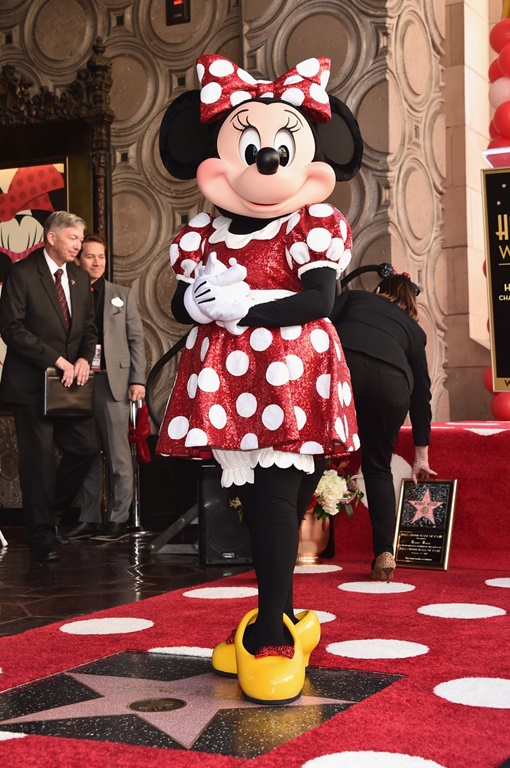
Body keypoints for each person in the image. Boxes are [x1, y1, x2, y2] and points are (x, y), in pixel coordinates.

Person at [155, 54, 363, 705]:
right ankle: (281, 615)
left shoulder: (313, 223)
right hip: (231, 380)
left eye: (280, 148)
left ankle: (274, 629)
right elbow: (178, 301)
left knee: (280, 500)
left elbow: (321, 298)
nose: (266, 160)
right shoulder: (203, 231)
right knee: (264, 503)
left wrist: (242, 307)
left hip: (293, 376)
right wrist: (199, 304)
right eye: (250, 147)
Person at [0, 211, 98, 562]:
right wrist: (57, 360)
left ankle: (49, 514)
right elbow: (11, 328)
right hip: (30, 385)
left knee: (86, 448)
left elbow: (89, 329)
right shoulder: (22, 273)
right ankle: (40, 535)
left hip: (70, 384)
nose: (78, 245)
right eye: (73, 238)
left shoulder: (79, 276)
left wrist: (84, 358)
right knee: (38, 461)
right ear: (52, 237)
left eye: (81, 239)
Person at [330, 272, 436, 582]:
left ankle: (286, 544)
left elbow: (320, 327)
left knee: (316, 452)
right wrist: (421, 457)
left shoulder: (355, 297)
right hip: (392, 384)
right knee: (377, 467)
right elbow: (421, 396)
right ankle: (384, 555)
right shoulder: (415, 332)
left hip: (346, 366)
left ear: (378, 289)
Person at [67, 234, 146, 542]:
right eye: (90, 256)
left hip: (113, 381)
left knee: (118, 454)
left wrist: (137, 379)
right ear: (78, 260)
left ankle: (117, 518)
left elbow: (135, 340)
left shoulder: (120, 295)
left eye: (101, 256)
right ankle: (88, 518)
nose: (97, 262)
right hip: (78, 381)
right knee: (85, 451)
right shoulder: (67, 294)